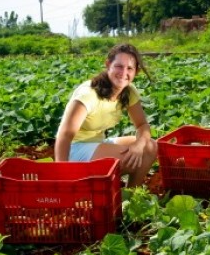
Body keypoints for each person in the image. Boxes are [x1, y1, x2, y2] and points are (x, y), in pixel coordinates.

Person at [55, 43, 157, 187]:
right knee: (132, 158)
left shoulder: (128, 91)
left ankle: (131, 194)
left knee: (150, 147)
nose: (123, 73)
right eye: (119, 66)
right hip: (75, 149)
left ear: (136, 72)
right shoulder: (88, 94)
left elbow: (142, 125)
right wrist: (62, 174)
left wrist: (139, 145)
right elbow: (64, 135)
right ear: (108, 64)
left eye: (129, 68)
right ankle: (94, 187)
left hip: (99, 143)